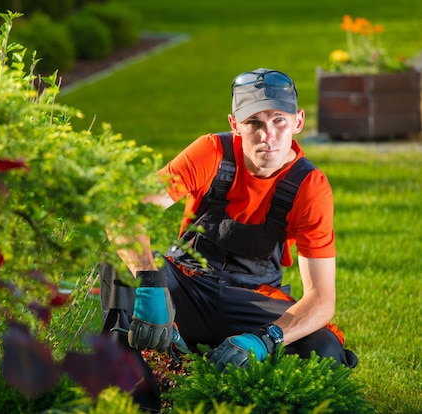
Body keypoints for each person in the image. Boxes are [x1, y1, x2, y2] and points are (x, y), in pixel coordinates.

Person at [100, 68, 358, 410]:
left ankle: (215, 374)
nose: (268, 135)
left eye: (279, 120)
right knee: (116, 269)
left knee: (325, 350)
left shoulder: (309, 187)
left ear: (298, 121)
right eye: (254, 122)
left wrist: (266, 339)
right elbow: (123, 212)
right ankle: (141, 399)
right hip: (187, 287)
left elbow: (322, 299)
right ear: (235, 125)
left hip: (251, 300)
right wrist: (150, 282)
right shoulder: (211, 152)